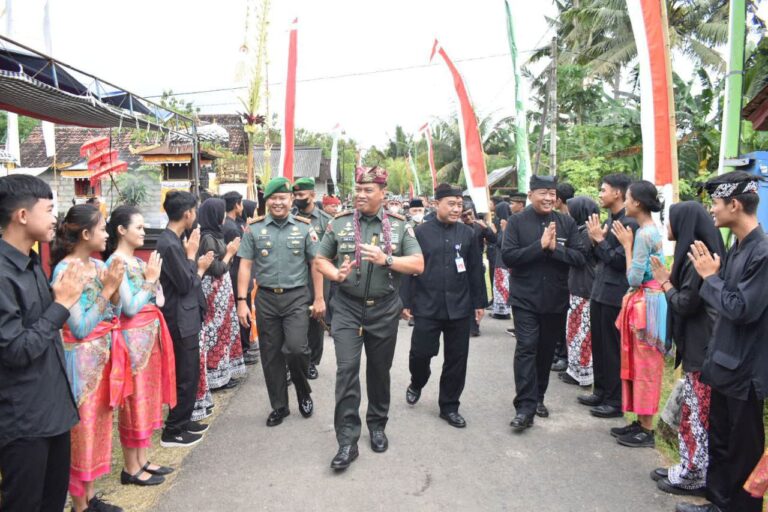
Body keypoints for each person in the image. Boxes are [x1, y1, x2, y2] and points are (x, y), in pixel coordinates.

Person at [315, 165, 423, 470]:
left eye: (368, 190)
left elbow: (418, 263)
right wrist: (335, 273)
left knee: (379, 370)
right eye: (358, 190)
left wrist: (387, 259)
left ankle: (377, 424)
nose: (361, 195)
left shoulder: (401, 226)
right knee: (346, 370)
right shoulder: (339, 224)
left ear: (382, 194)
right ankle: (347, 440)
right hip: (348, 307)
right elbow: (320, 258)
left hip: (385, 308)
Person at [676, 171, 768, 512]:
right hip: (724, 363)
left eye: (715, 203)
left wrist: (710, 279)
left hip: (745, 372)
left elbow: (741, 308)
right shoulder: (737, 247)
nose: (711, 210)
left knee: (743, 450)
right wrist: (715, 277)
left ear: (735, 203)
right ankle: (716, 503)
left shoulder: (762, 252)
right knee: (722, 442)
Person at [0, 175, 81, 512]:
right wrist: (61, 305)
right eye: (49, 210)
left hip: (52, 408)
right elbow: (16, 350)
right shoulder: (3, 273)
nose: (55, 219)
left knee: (52, 502)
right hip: (24, 417)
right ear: (22, 215)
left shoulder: (32, 262)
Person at [51, 204, 127, 512]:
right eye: (102, 229)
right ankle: (79, 504)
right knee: (81, 432)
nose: (106, 234)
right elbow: (79, 327)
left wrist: (115, 290)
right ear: (85, 234)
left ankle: (91, 496)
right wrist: (106, 291)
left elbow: (114, 313)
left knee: (99, 426)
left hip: (102, 356)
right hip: (80, 360)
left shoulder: (97, 266)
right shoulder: (65, 270)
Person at [647, 202, 723, 496]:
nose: (666, 226)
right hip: (698, 346)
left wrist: (666, 282)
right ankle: (688, 467)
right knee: (693, 412)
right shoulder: (694, 252)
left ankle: (694, 474)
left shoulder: (697, 257)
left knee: (697, 416)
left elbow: (685, 303)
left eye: (669, 220)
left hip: (703, 349)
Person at [237, 177, 324, 427]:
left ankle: (303, 391)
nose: (278, 202)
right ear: (268, 201)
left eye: (282, 198)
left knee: (296, 349)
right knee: (271, 354)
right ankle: (279, 405)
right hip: (265, 298)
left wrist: (319, 298)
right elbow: (245, 265)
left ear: (290, 200)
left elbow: (316, 264)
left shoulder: (304, 228)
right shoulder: (253, 229)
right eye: (273, 198)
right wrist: (242, 301)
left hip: (297, 296)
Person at [502, 175, 586, 431]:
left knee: (545, 351)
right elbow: (508, 257)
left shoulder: (567, 222)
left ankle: (538, 397)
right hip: (525, 298)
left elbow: (580, 257)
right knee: (527, 347)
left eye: (552, 193)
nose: (549, 198)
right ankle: (524, 408)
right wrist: (538, 247)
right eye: (543, 193)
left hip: (555, 299)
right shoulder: (517, 222)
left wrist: (553, 250)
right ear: (531, 195)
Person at [104, 205, 178, 487]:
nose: (143, 232)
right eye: (139, 227)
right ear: (121, 230)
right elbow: (131, 307)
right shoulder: (117, 263)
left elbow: (153, 299)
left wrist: (151, 280)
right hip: (132, 340)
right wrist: (149, 281)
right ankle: (131, 467)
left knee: (147, 398)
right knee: (134, 401)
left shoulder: (134, 261)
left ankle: (143, 459)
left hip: (149, 336)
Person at [402, 184, 486, 428]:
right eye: (451, 203)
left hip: (459, 308)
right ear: (436, 204)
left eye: (460, 204)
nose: (456, 209)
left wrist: (478, 303)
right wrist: (405, 300)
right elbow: (409, 267)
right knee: (421, 354)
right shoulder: (421, 232)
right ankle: (417, 381)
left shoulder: (468, 233)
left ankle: (449, 406)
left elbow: (474, 271)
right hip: (427, 305)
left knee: (457, 359)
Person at [610, 180, 665, 448]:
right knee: (640, 362)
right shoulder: (651, 230)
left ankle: (646, 427)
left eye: (629, 198)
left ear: (638, 203)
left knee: (645, 364)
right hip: (650, 301)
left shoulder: (643, 235)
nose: (626, 203)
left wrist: (627, 246)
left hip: (648, 303)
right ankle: (641, 422)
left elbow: (633, 276)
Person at [157, 191, 214, 448]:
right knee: (185, 375)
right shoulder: (169, 244)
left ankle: (185, 419)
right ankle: (174, 429)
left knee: (190, 372)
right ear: (188, 213)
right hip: (179, 318)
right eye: (195, 211)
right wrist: (194, 260)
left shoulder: (174, 239)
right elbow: (185, 284)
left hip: (187, 315)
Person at [580, 173, 638, 419]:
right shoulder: (609, 220)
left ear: (618, 193)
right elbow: (599, 259)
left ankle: (615, 401)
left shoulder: (629, 223)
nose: (600, 194)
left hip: (616, 294)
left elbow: (617, 261)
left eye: (604, 190)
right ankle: (601, 391)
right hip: (600, 291)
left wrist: (600, 241)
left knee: (613, 349)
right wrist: (596, 242)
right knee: (600, 346)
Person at [192, 198, 244, 421]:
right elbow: (216, 268)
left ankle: (222, 374)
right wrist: (231, 253)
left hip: (221, 293)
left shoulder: (215, 234)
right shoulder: (207, 238)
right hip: (213, 293)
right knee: (214, 333)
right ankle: (214, 375)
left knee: (224, 332)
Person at [293, 177, 333, 380]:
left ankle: (311, 362)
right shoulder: (290, 217)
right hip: (295, 278)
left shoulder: (326, 221)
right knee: (295, 321)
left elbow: (334, 251)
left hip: (318, 280)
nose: (298, 198)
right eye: (296, 195)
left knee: (316, 321)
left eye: (302, 195)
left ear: (312, 195)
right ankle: (296, 361)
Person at [559, 196, 599, 387]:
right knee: (575, 330)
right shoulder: (582, 231)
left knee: (581, 332)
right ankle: (575, 370)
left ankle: (581, 373)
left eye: (571, 210)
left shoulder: (584, 233)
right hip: (579, 285)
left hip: (584, 287)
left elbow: (579, 258)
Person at [222, 191, 258, 366]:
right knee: (241, 310)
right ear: (237, 205)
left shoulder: (234, 224)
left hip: (239, 273)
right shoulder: (231, 227)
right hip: (237, 273)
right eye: (241, 202)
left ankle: (244, 347)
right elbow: (242, 254)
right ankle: (243, 349)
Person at [551, 183, 576, 371]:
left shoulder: (570, 222)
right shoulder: (555, 220)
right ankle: (557, 351)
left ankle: (563, 355)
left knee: (565, 321)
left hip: (571, 278)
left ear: (558, 199)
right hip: (559, 279)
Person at [461, 206, 496, 336]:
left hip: (476, 266)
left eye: (470, 214)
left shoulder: (478, 226)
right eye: (464, 215)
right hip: (461, 267)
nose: (468, 217)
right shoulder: (458, 228)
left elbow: (494, 239)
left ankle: (474, 325)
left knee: (477, 295)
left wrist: (486, 228)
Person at [491, 199, 513, 320]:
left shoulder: (506, 223)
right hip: (502, 260)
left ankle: (502, 311)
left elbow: (502, 242)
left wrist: (497, 231)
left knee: (501, 285)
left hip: (502, 261)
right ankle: (501, 310)